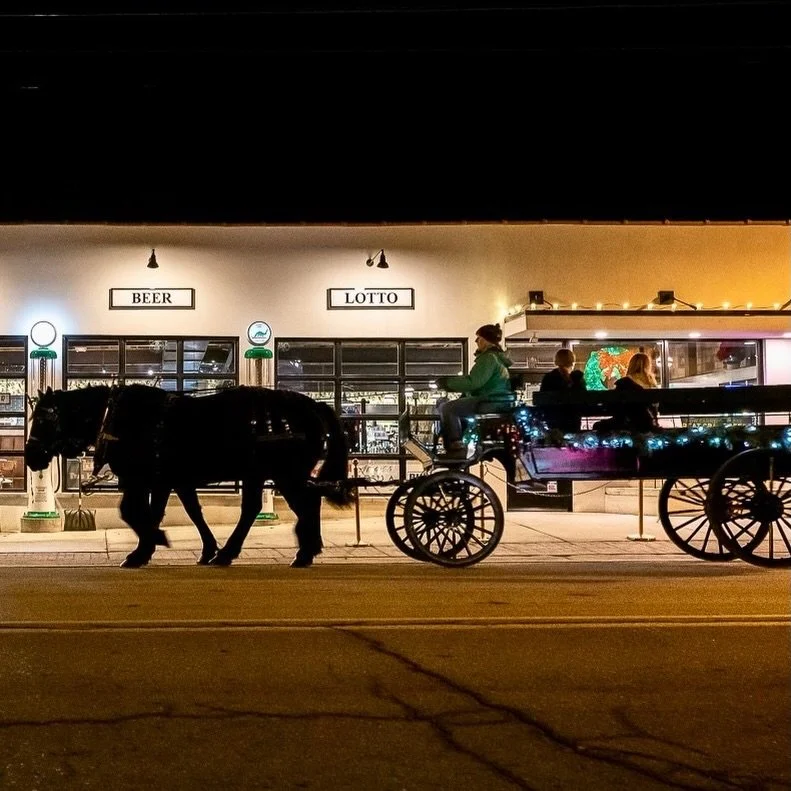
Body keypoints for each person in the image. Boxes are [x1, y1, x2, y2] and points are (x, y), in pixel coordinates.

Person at [435, 323, 513, 456]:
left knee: (447, 408)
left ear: (486, 340)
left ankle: (455, 445)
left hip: (488, 401)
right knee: (456, 407)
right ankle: (458, 442)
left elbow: (474, 382)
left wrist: (447, 383)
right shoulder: (498, 359)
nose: (476, 341)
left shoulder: (489, 358)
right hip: (495, 400)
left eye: (479, 338)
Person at [595, 351, 659, 432]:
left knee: (598, 426)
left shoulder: (624, 382)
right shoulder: (651, 383)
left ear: (631, 365)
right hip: (648, 422)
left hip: (627, 422)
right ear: (648, 366)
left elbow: (614, 405)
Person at [539, 348, 586, 432]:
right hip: (573, 418)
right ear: (572, 362)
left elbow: (542, 400)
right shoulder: (577, 378)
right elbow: (584, 398)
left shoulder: (549, 378)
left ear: (556, 361)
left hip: (553, 418)